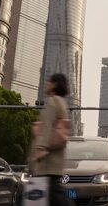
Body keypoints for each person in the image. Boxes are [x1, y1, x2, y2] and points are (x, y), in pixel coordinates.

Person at [31, 73, 71, 206]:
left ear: (54, 84)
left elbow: (47, 126)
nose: (46, 83)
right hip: (55, 160)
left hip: (48, 161)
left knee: (54, 196)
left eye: (48, 81)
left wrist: (41, 148)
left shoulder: (53, 101)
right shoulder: (62, 102)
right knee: (51, 196)